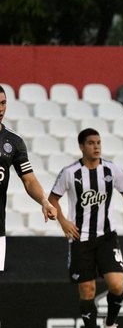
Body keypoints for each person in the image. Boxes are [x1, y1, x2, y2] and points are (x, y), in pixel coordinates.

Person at [48, 128, 123, 328]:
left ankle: (110, 323)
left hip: (106, 237)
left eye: (98, 142)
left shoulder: (112, 170)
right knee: (88, 290)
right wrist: (63, 221)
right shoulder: (70, 173)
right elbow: (52, 200)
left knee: (117, 285)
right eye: (91, 143)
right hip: (80, 239)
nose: (96, 146)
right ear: (81, 146)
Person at [0, 85, 57, 270]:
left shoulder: (13, 142)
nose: (1, 109)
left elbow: (29, 180)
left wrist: (44, 201)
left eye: (3, 103)